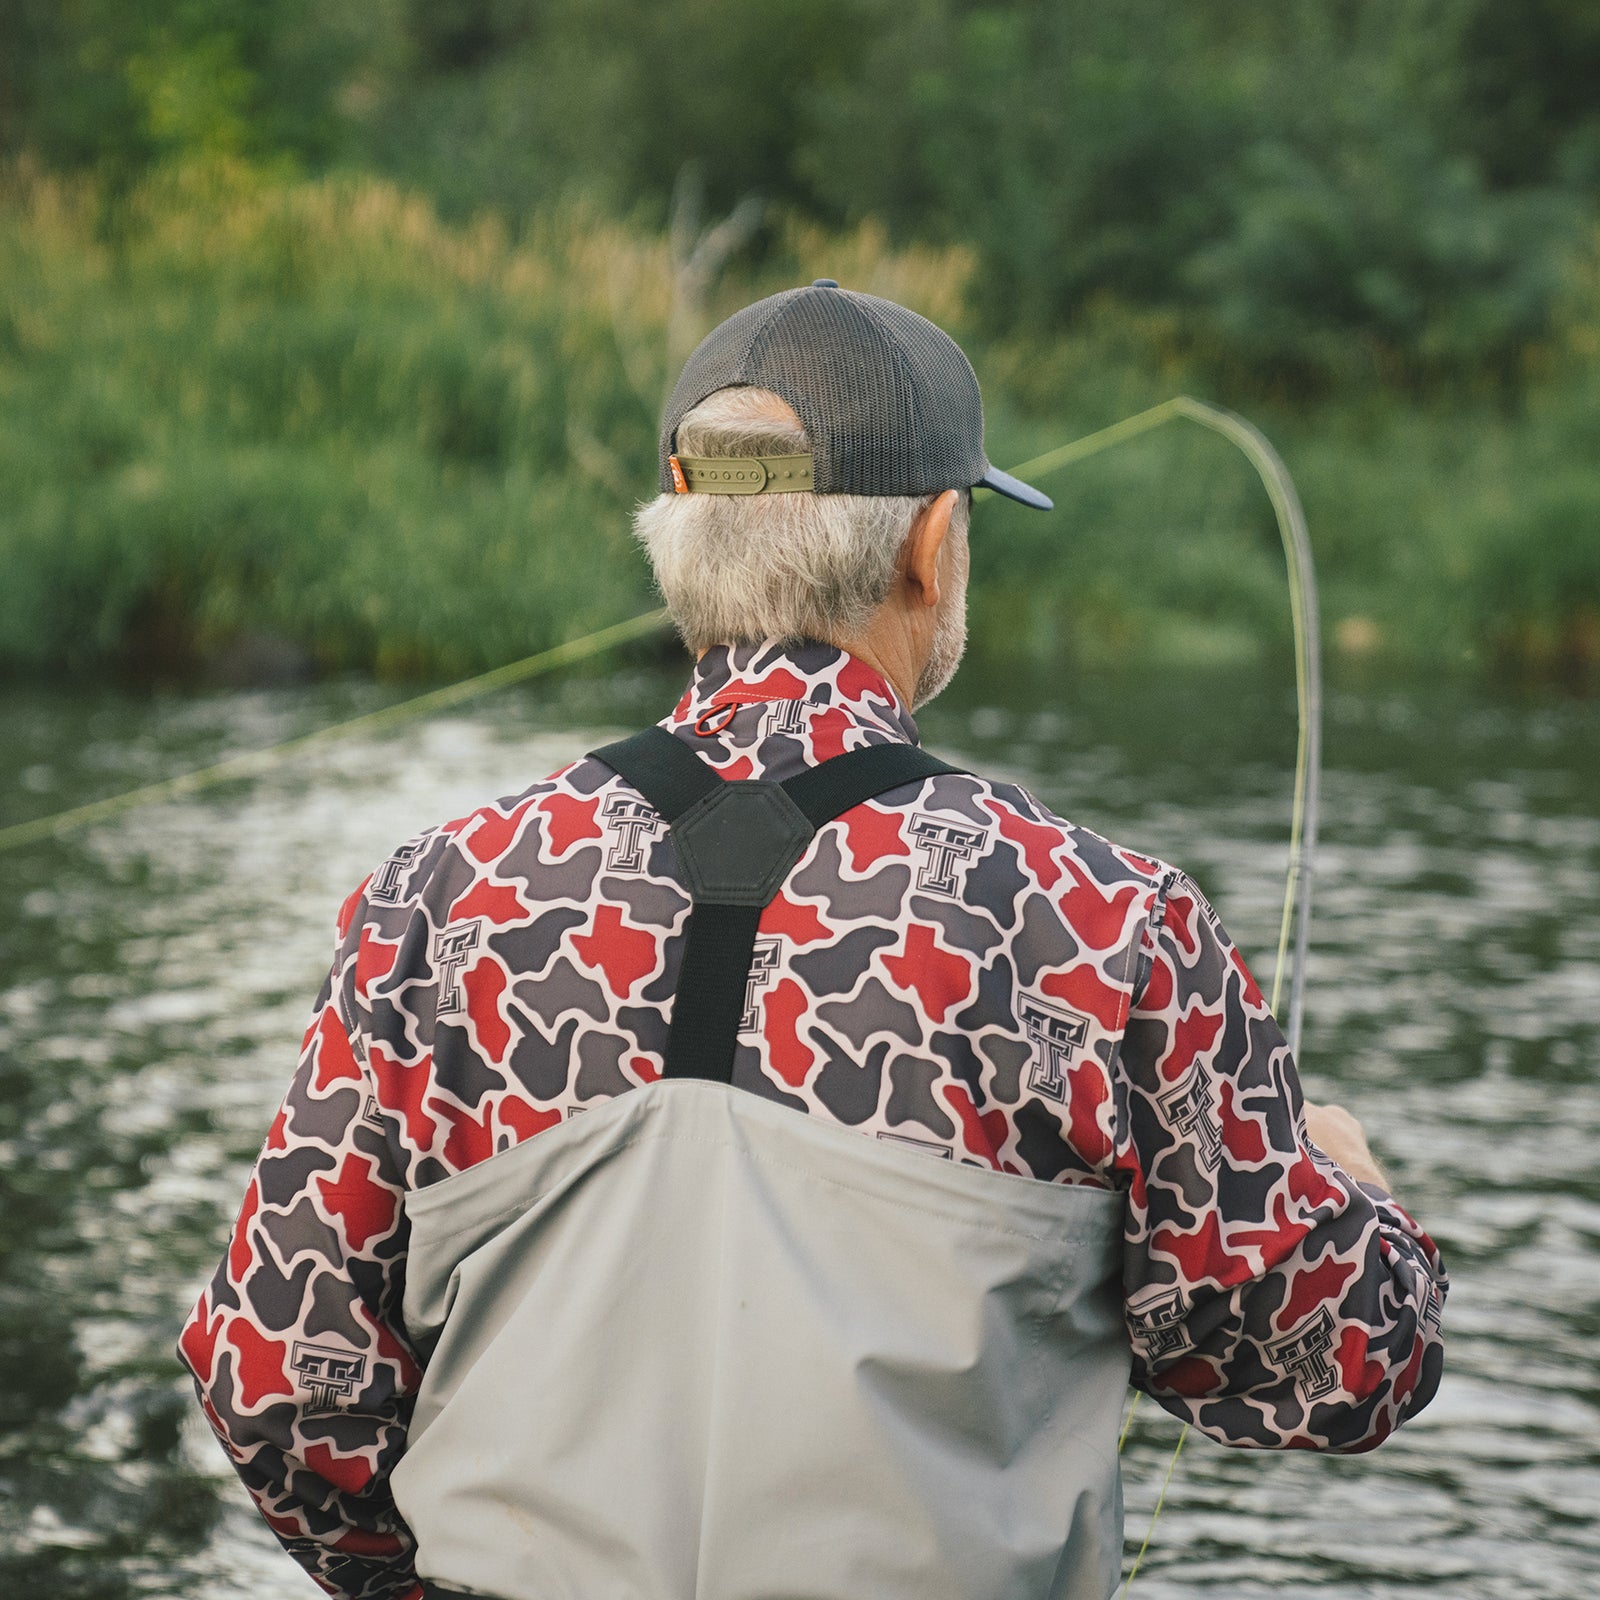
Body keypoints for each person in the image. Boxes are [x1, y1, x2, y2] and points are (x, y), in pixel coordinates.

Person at [179, 281, 1446, 1600]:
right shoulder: (1110, 922)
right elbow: (1330, 1369)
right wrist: (1352, 1194)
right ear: (934, 544)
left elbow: (273, 1383)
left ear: (679, 538)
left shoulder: (431, 902)